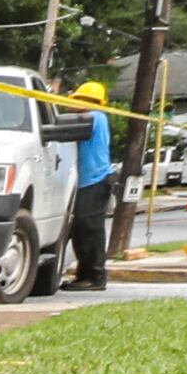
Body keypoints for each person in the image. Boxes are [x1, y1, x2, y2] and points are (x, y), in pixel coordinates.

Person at [64, 79, 114, 293]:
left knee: (90, 229)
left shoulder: (95, 117)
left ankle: (96, 276)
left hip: (95, 180)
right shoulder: (93, 118)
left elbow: (70, 120)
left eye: (79, 100)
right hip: (89, 180)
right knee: (81, 229)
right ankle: (84, 275)